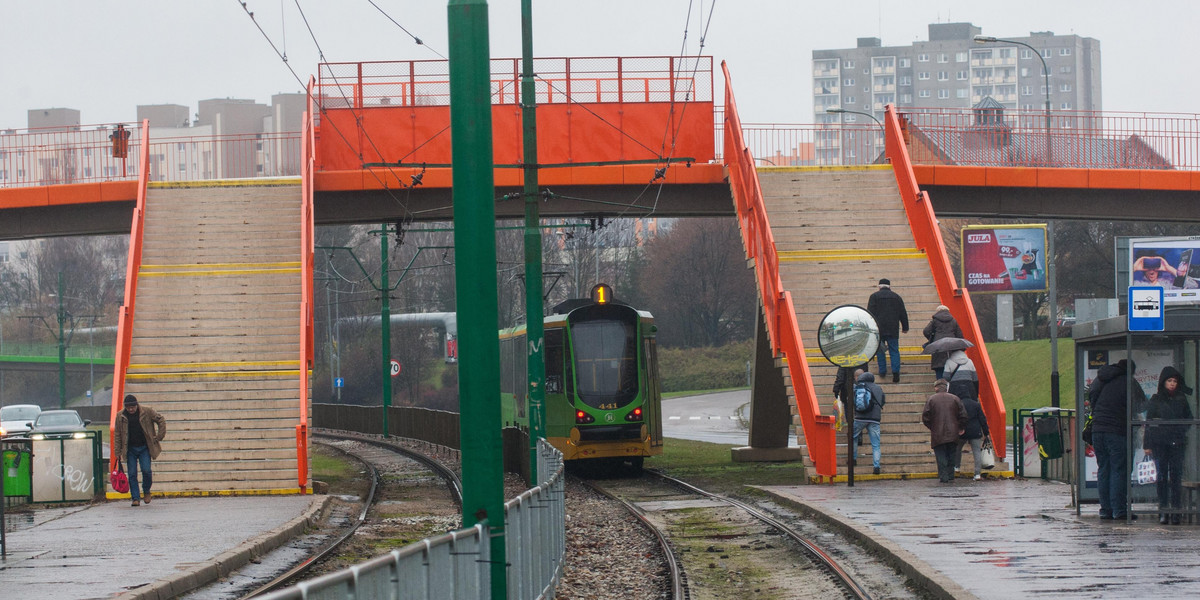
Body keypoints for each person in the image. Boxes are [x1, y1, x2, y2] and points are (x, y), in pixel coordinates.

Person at [1089, 359, 1146, 521]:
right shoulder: (1129, 382)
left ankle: (1105, 509)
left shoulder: (1101, 378)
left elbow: (1092, 396)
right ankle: (1119, 510)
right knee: (1119, 469)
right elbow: (1141, 405)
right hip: (1117, 430)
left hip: (1098, 429)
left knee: (1104, 469)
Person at [1143, 366, 1194, 525]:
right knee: (1162, 477)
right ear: (1163, 382)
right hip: (1160, 443)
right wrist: (1147, 444)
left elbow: (1189, 419)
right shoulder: (1156, 399)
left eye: (1175, 381)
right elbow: (1149, 423)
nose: (1172, 384)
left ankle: (1176, 511)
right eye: (1169, 381)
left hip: (1177, 442)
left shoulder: (1181, 399)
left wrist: (1181, 430)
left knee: (1176, 477)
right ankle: (1163, 510)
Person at [112, 394, 167, 507]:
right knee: (132, 474)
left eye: (133, 407)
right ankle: (135, 498)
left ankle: (146, 491)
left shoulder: (147, 411)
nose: (131, 409)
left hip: (144, 447)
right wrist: (117, 452)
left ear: (137, 405)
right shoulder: (120, 416)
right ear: (125, 407)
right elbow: (117, 434)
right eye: (128, 408)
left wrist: (159, 436)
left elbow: (161, 420)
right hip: (130, 449)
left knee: (146, 470)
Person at [923, 379, 967, 483]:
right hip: (953, 432)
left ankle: (944, 476)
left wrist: (932, 427)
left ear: (936, 388)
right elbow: (963, 415)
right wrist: (960, 427)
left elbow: (925, 417)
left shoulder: (931, 399)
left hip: (937, 433)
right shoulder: (955, 398)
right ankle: (951, 475)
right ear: (946, 387)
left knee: (941, 455)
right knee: (952, 454)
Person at [867, 278, 908, 383]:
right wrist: (905, 327)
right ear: (890, 286)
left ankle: (882, 371)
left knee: (880, 350)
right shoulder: (896, 297)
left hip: (878, 328)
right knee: (894, 350)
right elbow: (902, 313)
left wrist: (869, 327)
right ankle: (895, 372)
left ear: (879, 286)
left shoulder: (874, 297)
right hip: (893, 328)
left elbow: (869, 313)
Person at [851, 371, 886, 475]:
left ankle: (853, 459)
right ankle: (876, 467)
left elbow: (854, 401)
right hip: (875, 419)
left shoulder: (859, 387)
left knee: (853, 437)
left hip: (860, 418)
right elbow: (882, 401)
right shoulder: (878, 388)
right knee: (876, 444)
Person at [956, 391, 991, 481]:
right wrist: (986, 432)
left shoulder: (958, 404)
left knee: (957, 449)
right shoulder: (976, 405)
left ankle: (957, 468)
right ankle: (977, 474)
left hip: (962, 431)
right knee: (976, 452)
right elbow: (982, 419)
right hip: (975, 431)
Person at [922, 305, 962, 380]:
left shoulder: (935, 320)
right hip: (951, 348)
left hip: (938, 348)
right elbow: (960, 336)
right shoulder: (953, 320)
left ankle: (941, 388)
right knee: (951, 371)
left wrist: (932, 339)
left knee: (939, 370)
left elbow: (926, 331)